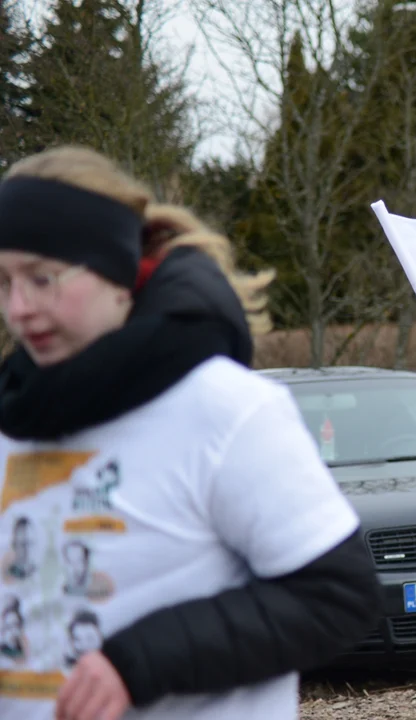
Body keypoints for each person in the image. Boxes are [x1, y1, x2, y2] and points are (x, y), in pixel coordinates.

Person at [0, 146, 383, 720]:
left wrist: (139, 662)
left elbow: (337, 597)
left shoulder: (224, 408)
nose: (19, 308)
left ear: (115, 271)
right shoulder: (14, 417)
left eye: (42, 278)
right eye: (3, 283)